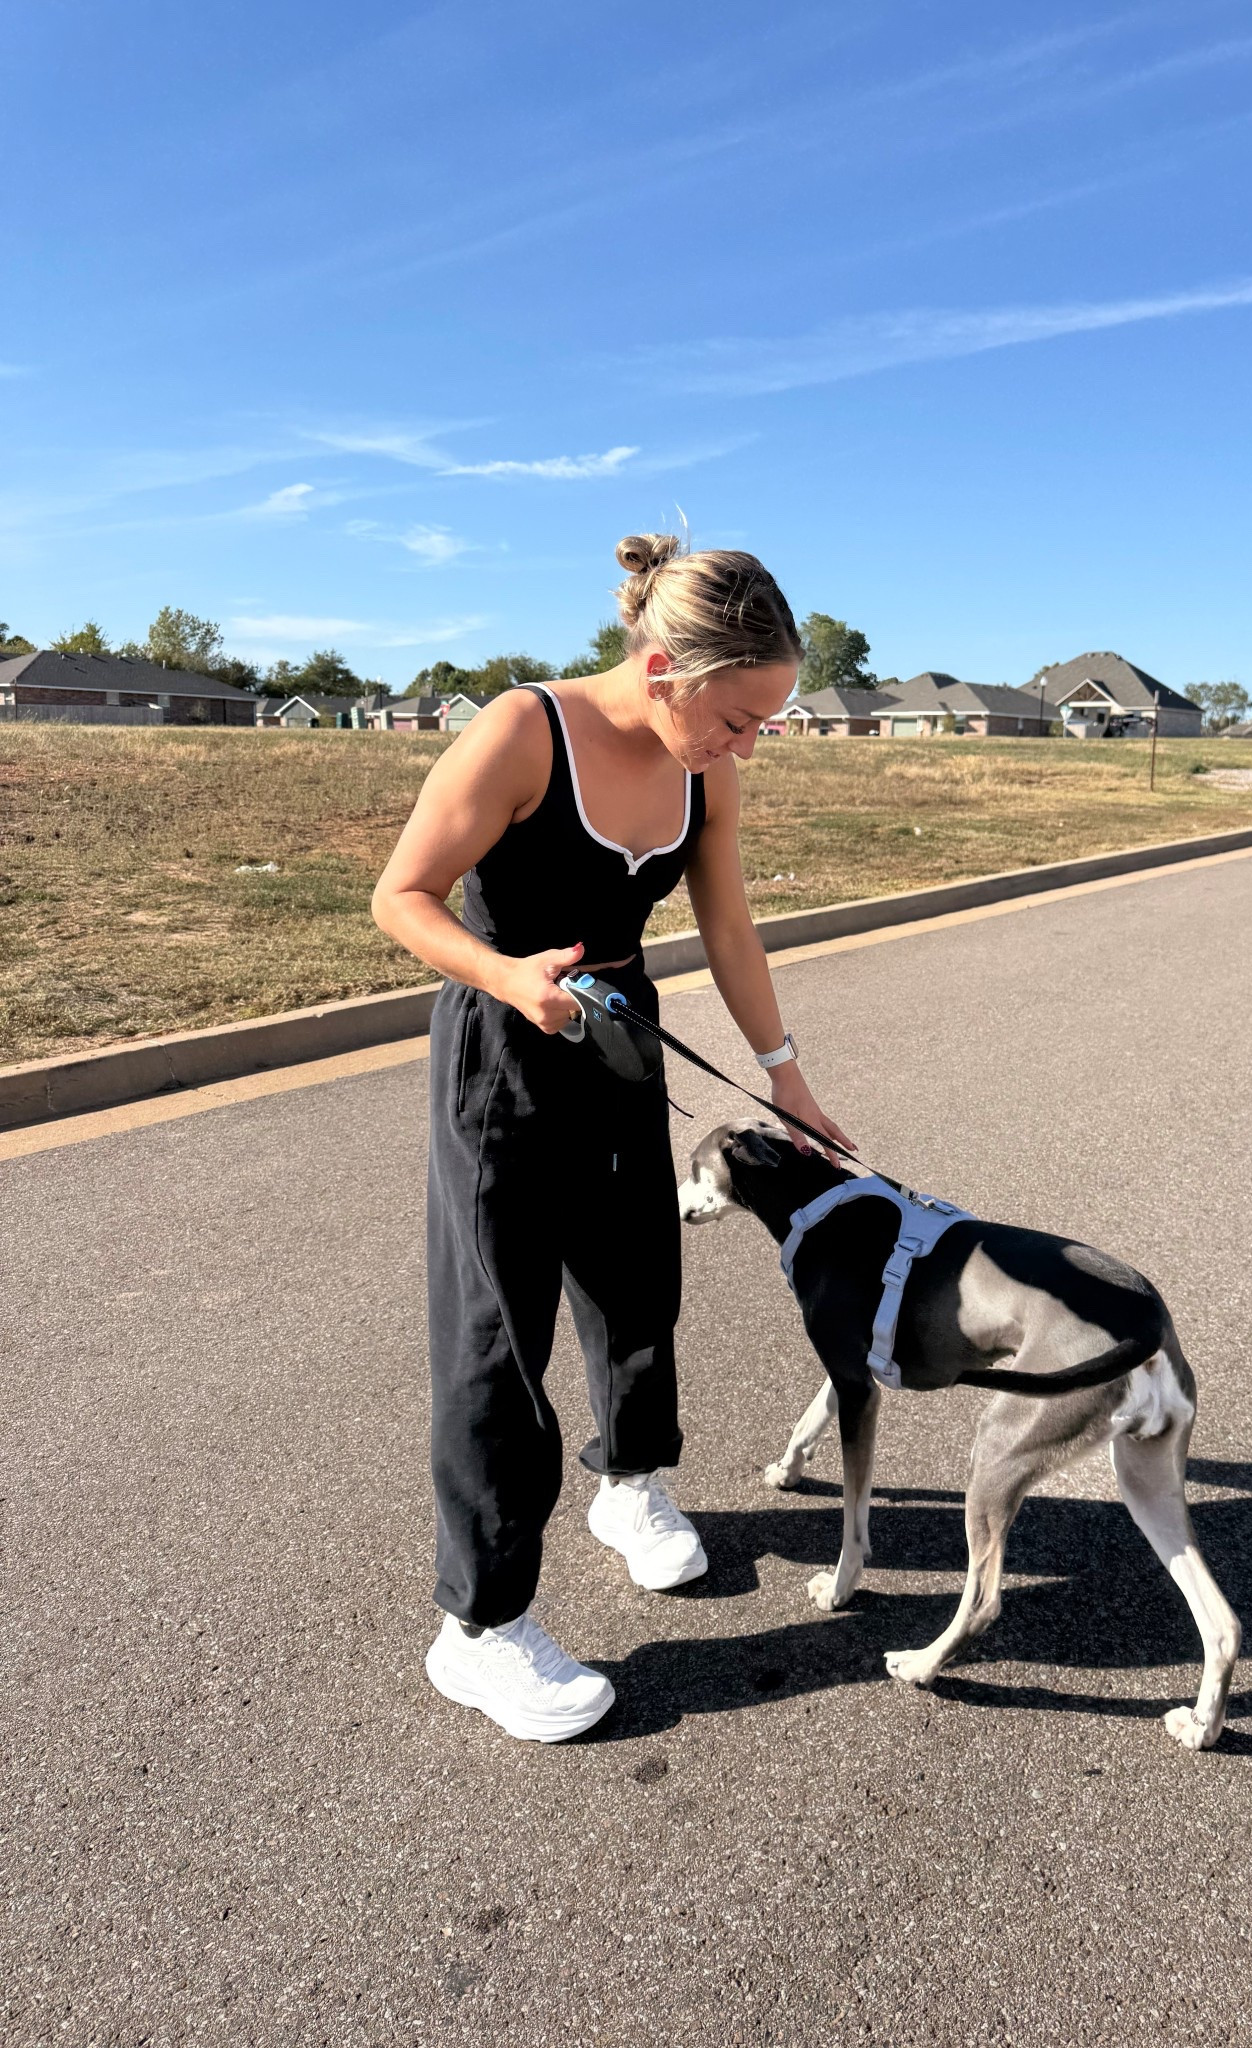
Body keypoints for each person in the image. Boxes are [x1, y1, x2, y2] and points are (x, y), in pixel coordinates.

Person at [371, 534, 851, 1743]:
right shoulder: (522, 731)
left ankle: (631, 1487)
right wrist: (505, 976)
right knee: (497, 1338)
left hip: (623, 1043)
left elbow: (729, 925)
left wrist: (787, 1077)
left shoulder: (710, 763)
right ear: (663, 668)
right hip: (507, 1054)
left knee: (640, 1283)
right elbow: (401, 895)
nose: (748, 746)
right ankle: (476, 1630)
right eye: (738, 718)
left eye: (766, 724)